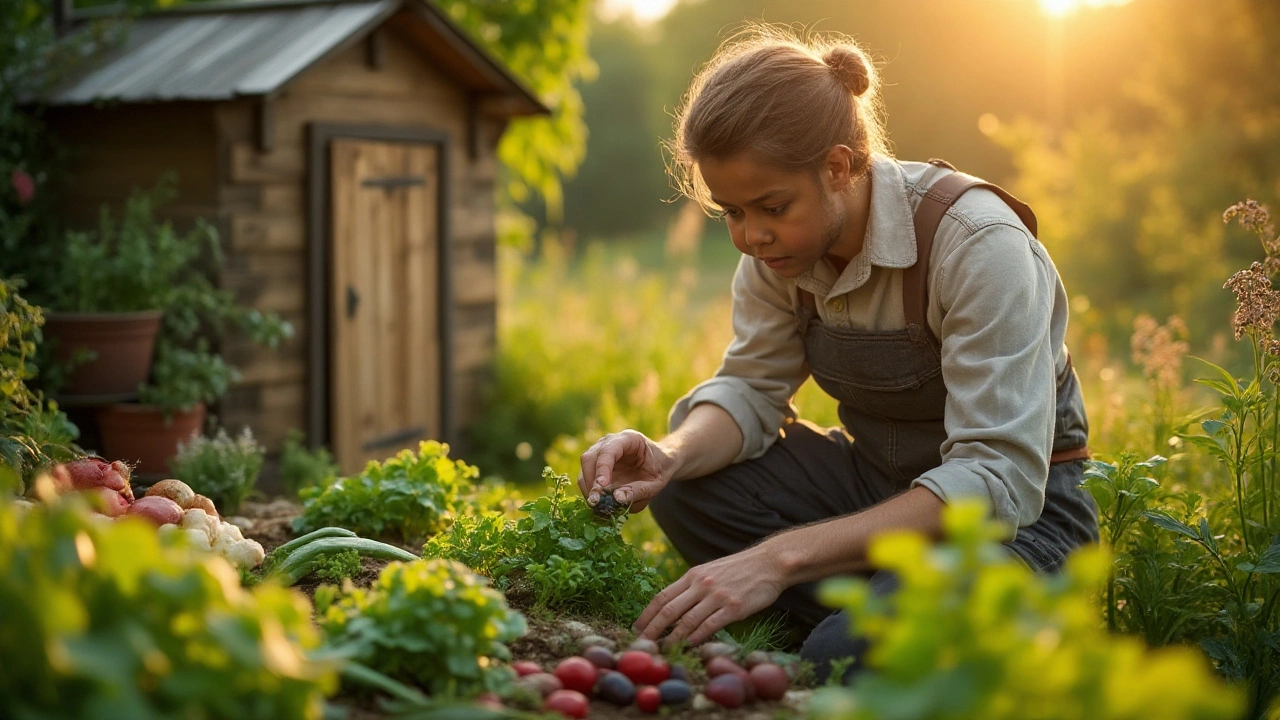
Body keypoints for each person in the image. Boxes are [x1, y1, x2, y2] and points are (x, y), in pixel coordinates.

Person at [576, 24, 1098, 680]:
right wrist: (667, 455)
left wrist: (777, 559)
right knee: (686, 485)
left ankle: (865, 625)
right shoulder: (780, 253)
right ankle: (876, 610)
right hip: (878, 487)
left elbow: (996, 480)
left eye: (769, 206)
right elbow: (750, 390)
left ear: (839, 166)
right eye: (730, 212)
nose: (750, 237)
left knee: (843, 655)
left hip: (1020, 525)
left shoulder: (977, 246)